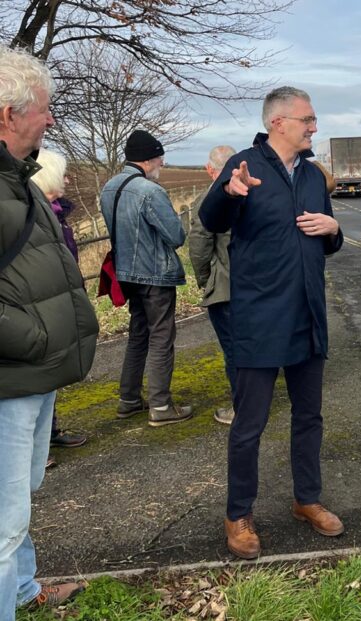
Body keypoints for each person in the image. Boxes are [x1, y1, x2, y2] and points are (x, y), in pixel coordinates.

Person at [199, 86, 344, 559]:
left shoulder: (313, 175)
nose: (315, 127)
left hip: (308, 315)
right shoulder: (244, 166)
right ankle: (238, 514)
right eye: (308, 119)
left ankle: (307, 499)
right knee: (249, 425)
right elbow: (211, 217)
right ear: (279, 122)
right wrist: (227, 190)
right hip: (259, 319)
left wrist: (335, 230)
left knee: (310, 418)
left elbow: (327, 239)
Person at [0, 46, 99, 618]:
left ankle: (22, 588)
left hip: (32, 375)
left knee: (17, 503)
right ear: (8, 114)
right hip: (10, 377)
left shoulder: (19, 178)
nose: (52, 119)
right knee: (3, 517)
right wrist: (32, 336)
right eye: (44, 108)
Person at [100, 130, 192, 427]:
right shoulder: (150, 192)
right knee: (162, 337)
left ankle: (128, 399)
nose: (162, 164)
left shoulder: (109, 188)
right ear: (150, 159)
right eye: (160, 159)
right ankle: (161, 405)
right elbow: (176, 236)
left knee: (138, 335)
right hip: (155, 274)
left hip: (126, 273)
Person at [31, 148, 87, 455]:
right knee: (36, 375)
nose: (66, 179)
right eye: (61, 173)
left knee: (50, 374)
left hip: (58, 300)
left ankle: (49, 432)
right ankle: (33, 447)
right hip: (39, 304)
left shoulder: (57, 213)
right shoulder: (36, 215)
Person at [189, 145, 237, 424]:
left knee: (234, 351)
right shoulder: (255, 191)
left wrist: (205, 280)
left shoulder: (209, 198)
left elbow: (199, 243)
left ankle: (242, 410)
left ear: (210, 169)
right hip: (259, 285)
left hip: (227, 286)